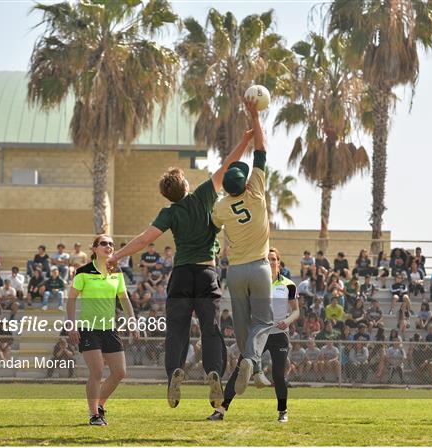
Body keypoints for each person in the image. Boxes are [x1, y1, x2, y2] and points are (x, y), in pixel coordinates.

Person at [107, 125, 255, 410]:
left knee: (177, 330)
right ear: (185, 185)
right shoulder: (202, 196)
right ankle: (214, 372)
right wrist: (246, 138)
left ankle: (174, 371)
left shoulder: (170, 212)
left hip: (181, 274)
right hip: (207, 273)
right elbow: (228, 165)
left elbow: (143, 239)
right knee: (211, 329)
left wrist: (117, 257)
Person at [210, 97, 273, 393]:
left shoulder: (221, 207)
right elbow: (261, 150)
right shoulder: (256, 191)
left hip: (234, 271)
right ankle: (251, 359)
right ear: (246, 183)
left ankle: (254, 367)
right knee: (263, 321)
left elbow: (221, 177)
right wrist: (255, 117)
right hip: (260, 268)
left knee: (242, 324)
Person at [207, 247, 299, 423]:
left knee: (278, 375)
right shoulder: (255, 284)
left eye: (274, 259)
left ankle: (282, 411)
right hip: (258, 335)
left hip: (279, 335)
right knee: (240, 368)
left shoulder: (289, 285)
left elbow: (296, 311)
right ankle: (221, 409)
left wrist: (287, 322)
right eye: (268, 259)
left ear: (279, 262)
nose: (271, 262)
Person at [67, 234, 139, 426]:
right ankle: (94, 415)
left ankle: (99, 404)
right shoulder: (83, 271)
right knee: (97, 372)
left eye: (111, 244)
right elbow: (71, 299)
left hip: (110, 328)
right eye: (104, 243)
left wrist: (132, 321)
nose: (108, 246)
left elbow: (124, 299)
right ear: (95, 249)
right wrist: (71, 324)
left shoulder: (117, 272)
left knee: (119, 372)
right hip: (88, 328)